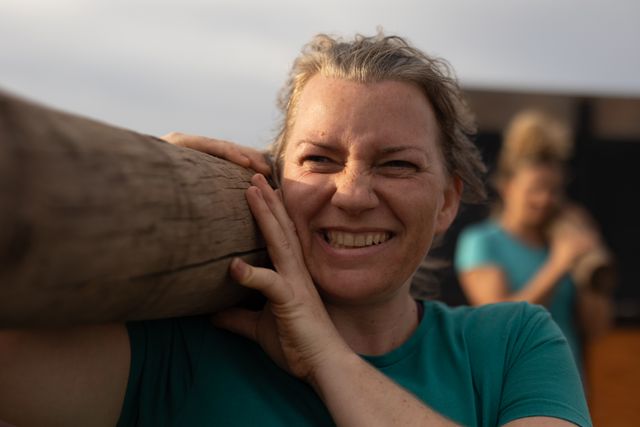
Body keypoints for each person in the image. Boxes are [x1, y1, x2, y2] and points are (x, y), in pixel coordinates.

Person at [0, 33, 591, 427]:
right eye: (320, 160)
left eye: (398, 164)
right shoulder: (173, 345)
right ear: (276, 178)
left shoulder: (511, 344)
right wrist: (119, 191)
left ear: (446, 203)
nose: (354, 195)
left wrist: (325, 357)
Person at [454, 110, 614, 374]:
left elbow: (596, 328)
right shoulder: (481, 242)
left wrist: (592, 262)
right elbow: (502, 323)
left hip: (568, 384)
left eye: (553, 190)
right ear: (507, 187)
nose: (544, 199)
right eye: (535, 190)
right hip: (511, 385)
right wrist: (558, 264)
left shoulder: (561, 240)